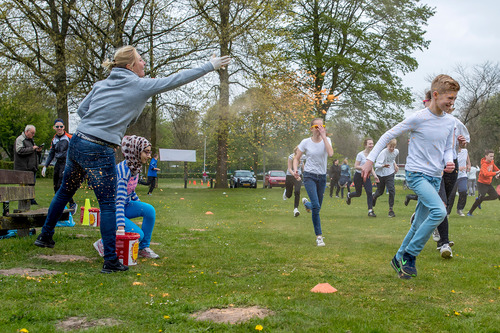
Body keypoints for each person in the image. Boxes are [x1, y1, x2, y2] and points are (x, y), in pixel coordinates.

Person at [34, 45, 231, 273]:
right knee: (108, 206)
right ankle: (110, 261)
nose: (144, 63)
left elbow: (81, 110)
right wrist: (209, 66)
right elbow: (175, 79)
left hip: (78, 141)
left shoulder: (101, 84)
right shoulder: (139, 85)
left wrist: (98, 122)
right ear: (130, 66)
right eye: (140, 59)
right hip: (99, 147)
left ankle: (45, 236)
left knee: (65, 191)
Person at [362, 74, 459, 279]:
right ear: (435, 95)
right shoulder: (419, 118)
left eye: (454, 99)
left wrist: (449, 160)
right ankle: (410, 255)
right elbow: (388, 135)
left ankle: (398, 259)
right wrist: (370, 160)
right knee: (439, 212)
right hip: (416, 174)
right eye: (449, 98)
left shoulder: (451, 122)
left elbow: (448, 148)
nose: (452, 103)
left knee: (418, 224)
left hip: (435, 177)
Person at [94, 136, 159, 259]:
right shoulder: (124, 172)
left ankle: (143, 248)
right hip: (112, 210)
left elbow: (130, 191)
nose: (149, 155)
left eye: (149, 152)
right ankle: (102, 243)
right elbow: (118, 201)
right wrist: (120, 227)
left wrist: (139, 205)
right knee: (138, 234)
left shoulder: (135, 167)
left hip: (125, 205)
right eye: (146, 152)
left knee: (149, 210)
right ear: (135, 151)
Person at [293, 118, 333, 246]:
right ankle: (319, 236)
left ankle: (307, 204)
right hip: (309, 176)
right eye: (317, 126)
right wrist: (295, 170)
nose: (320, 128)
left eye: (322, 126)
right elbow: (296, 158)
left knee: (317, 206)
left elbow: (331, 153)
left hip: (322, 177)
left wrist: (324, 136)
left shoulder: (327, 141)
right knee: (316, 206)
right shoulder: (305, 142)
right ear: (311, 128)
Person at [41, 119, 77, 212]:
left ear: (64, 127)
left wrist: (71, 165)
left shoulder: (69, 137)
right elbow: (51, 153)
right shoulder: (54, 140)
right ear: (54, 128)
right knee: (56, 186)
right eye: (57, 127)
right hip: (58, 163)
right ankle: (60, 206)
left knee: (62, 184)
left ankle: (72, 203)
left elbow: (74, 151)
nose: (59, 128)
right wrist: (45, 166)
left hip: (66, 162)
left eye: (61, 126)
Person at [404, 92, 432, 206]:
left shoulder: (445, 121)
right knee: (438, 209)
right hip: (417, 170)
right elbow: (390, 134)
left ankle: (416, 220)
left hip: (434, 171)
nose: (424, 105)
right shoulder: (418, 117)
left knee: (428, 203)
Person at [346, 138, 379, 217]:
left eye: (372, 143)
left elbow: (370, 167)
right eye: (369, 144)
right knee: (358, 193)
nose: (371, 145)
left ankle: (370, 211)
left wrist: (375, 176)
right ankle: (349, 195)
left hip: (367, 176)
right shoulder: (360, 154)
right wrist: (363, 167)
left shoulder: (372, 155)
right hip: (358, 176)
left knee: (369, 192)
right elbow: (356, 166)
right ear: (365, 145)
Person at [14, 125, 42, 205]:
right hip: (24, 168)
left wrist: (38, 151)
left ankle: (31, 199)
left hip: (31, 167)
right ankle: (26, 201)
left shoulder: (30, 140)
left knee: (32, 184)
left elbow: (32, 152)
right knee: (24, 186)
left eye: (34, 133)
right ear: (27, 132)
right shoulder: (20, 139)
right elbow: (19, 150)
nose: (33, 135)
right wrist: (32, 148)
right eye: (32, 133)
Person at [467, 150, 500, 216]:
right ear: (486, 156)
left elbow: (497, 169)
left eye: (493, 156)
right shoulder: (483, 165)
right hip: (481, 184)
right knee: (482, 196)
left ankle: (479, 199)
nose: (492, 158)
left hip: (488, 184)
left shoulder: (492, 162)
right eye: (490, 156)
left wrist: (498, 173)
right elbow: (485, 174)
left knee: (495, 196)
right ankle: (469, 213)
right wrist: (495, 173)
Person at [372, 139, 399, 217]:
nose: (392, 149)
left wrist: (395, 165)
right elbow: (376, 165)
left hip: (390, 173)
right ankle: (374, 197)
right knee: (380, 192)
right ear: (387, 145)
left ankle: (391, 210)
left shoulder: (396, 151)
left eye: (393, 147)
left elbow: (392, 158)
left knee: (391, 190)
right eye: (390, 147)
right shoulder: (383, 153)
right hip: (380, 174)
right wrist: (383, 165)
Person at [283, 146, 306, 217]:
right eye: (298, 150)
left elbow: (302, 164)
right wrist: (294, 175)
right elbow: (289, 168)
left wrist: (305, 171)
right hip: (290, 175)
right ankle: (286, 192)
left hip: (298, 176)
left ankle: (296, 209)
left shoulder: (303, 157)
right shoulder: (291, 157)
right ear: (295, 151)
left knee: (297, 191)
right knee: (289, 195)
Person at [447, 147, 470, 216]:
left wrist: (469, 164)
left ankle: (460, 209)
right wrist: (457, 168)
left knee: (463, 190)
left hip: (462, 175)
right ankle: (447, 212)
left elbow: (467, 157)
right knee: (452, 194)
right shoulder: (452, 151)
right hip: (453, 176)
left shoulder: (465, 150)